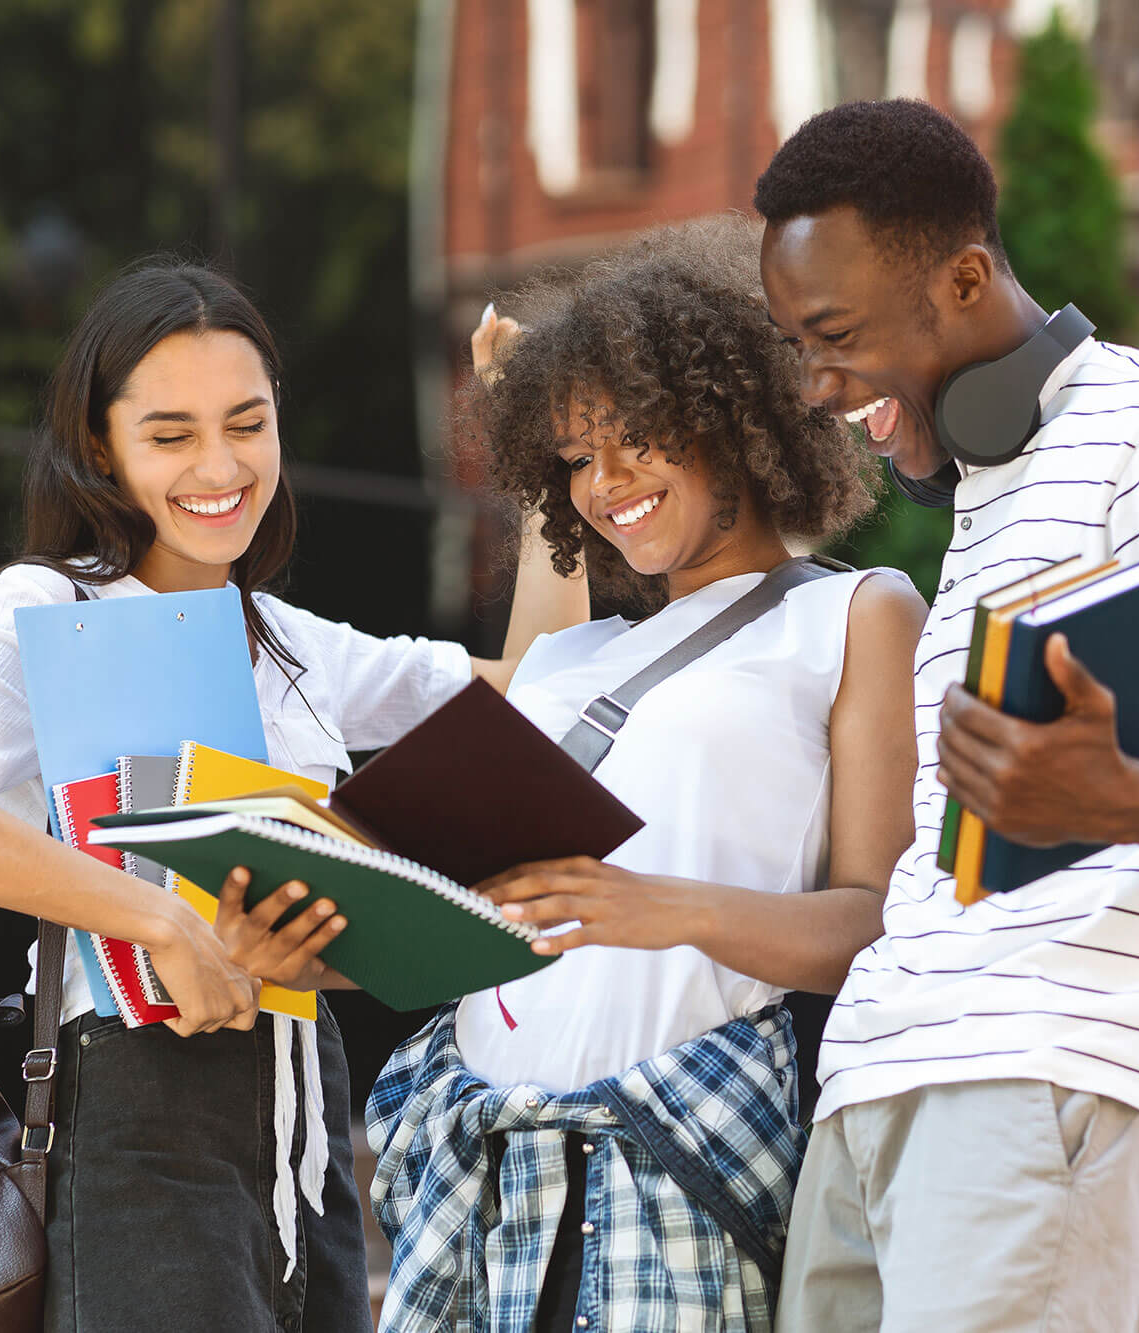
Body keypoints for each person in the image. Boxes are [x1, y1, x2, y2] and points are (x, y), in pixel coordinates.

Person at [0, 261, 584, 1333]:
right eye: (171, 434)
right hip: (137, 1116)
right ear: (100, 447)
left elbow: (541, 697)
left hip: (307, 1128)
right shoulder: (53, 604)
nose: (218, 466)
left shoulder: (286, 642)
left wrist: (535, 468)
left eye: (246, 424)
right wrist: (154, 917)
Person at [754, 99, 1139, 1332]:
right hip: (880, 1081)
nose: (816, 386)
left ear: (965, 277)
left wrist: (1122, 796)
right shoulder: (984, 508)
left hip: (1055, 1077)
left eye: (835, 336)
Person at [365, 219, 929, 1333]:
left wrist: (655, 910)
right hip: (484, 1164)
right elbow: (474, 905)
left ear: (736, 417)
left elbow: (876, 926)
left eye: (636, 439)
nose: (604, 484)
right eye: (574, 456)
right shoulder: (566, 660)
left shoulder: (851, 615)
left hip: (675, 1167)